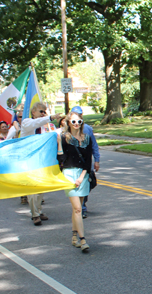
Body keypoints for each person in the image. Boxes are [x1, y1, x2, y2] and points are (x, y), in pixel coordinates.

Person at [20, 102, 62, 225]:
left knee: (41, 187)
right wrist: (51, 117)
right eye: (41, 111)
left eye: (45, 112)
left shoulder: (45, 126)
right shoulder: (27, 122)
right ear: (33, 112)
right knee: (33, 188)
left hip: (42, 160)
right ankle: (35, 215)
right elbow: (35, 123)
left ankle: (38, 210)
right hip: (29, 160)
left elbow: (55, 134)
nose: (43, 114)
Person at [57, 111, 93, 252]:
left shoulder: (87, 138)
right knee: (78, 209)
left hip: (82, 175)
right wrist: (60, 144)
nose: (76, 124)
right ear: (68, 123)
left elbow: (88, 160)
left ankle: (73, 237)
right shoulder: (64, 138)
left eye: (79, 121)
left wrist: (81, 177)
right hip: (68, 174)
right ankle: (83, 239)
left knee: (76, 209)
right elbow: (61, 160)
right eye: (73, 122)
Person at [70, 106, 100, 219]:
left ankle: (81, 206)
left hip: (85, 162)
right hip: (72, 164)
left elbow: (94, 146)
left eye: (79, 115)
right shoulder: (67, 129)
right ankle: (80, 208)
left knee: (87, 185)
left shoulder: (87, 129)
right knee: (76, 186)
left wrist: (96, 160)